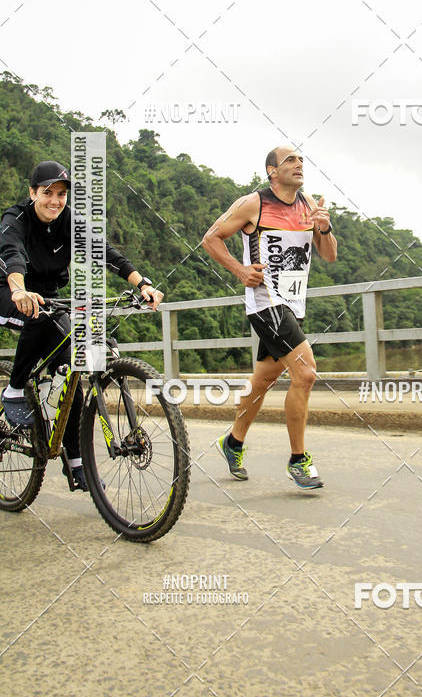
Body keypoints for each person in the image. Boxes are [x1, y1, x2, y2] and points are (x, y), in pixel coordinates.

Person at [0, 160, 163, 491]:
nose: (55, 201)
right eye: (47, 193)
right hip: (9, 291)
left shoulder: (68, 220)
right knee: (38, 315)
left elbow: (104, 251)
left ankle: (76, 464)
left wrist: (140, 283)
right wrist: (19, 288)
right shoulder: (15, 219)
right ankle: (15, 388)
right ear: (32, 193)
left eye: (61, 194)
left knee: (72, 366)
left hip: (49, 296)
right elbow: (12, 254)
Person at [202, 145, 337, 489]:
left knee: (262, 380)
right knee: (305, 372)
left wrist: (323, 228)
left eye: (301, 159)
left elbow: (330, 256)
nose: (298, 164)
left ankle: (232, 443)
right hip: (265, 303)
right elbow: (211, 238)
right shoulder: (254, 204)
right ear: (272, 171)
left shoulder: (308, 206)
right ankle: (298, 460)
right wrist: (239, 270)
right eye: (290, 160)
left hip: (293, 305)